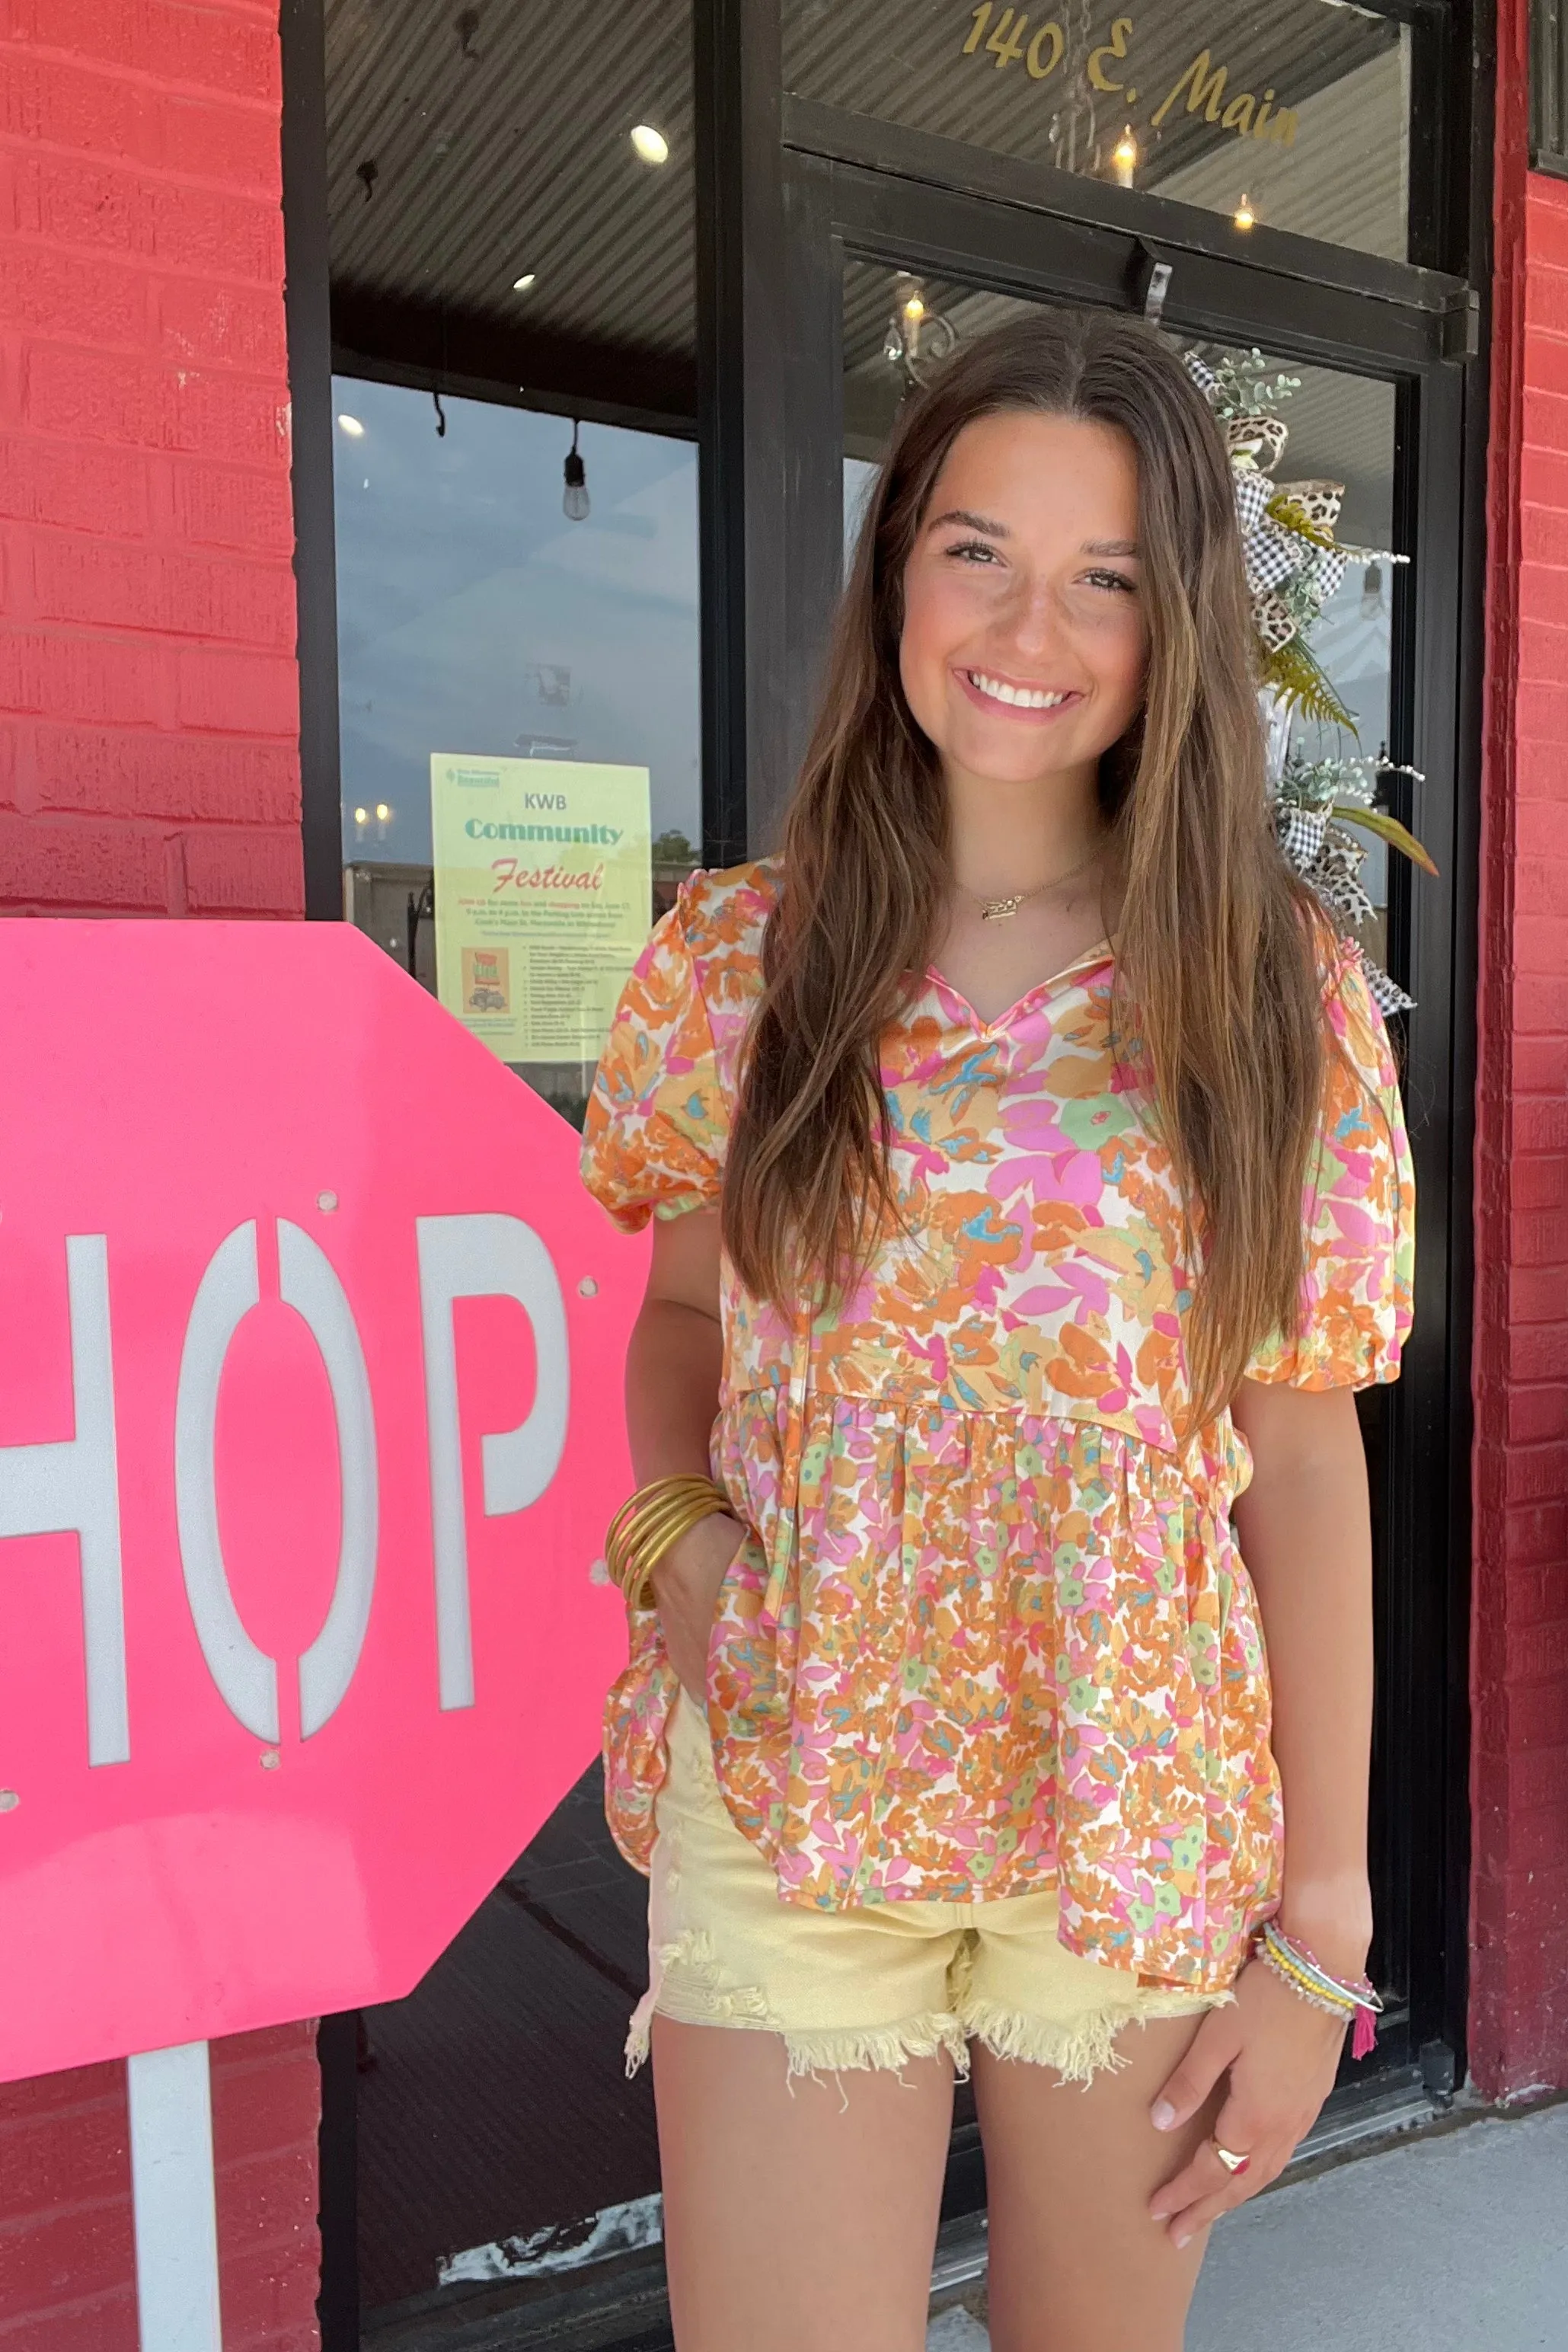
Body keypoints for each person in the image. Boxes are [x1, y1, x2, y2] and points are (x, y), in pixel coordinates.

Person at [582, 309, 1413, 2352]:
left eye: (1104, 575)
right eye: (975, 549)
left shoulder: (1263, 990)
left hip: (1127, 1800)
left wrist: (1321, 1927)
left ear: (1175, 622)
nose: (1027, 625)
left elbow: (1300, 1456)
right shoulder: (738, 959)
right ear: (895, 574)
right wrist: (671, 1535)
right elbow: (681, 1310)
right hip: (795, 1776)